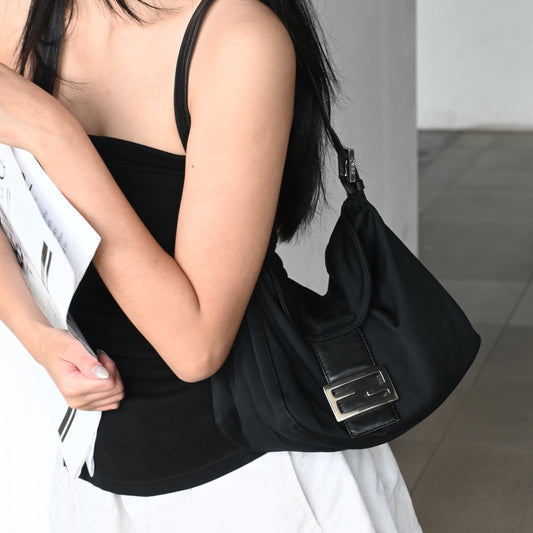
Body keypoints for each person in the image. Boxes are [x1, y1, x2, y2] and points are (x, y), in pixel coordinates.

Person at [0, 0, 423, 531]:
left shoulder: (239, 39)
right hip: (89, 471)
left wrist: (56, 138)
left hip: (254, 479)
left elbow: (195, 347)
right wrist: (36, 334)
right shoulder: (17, 13)